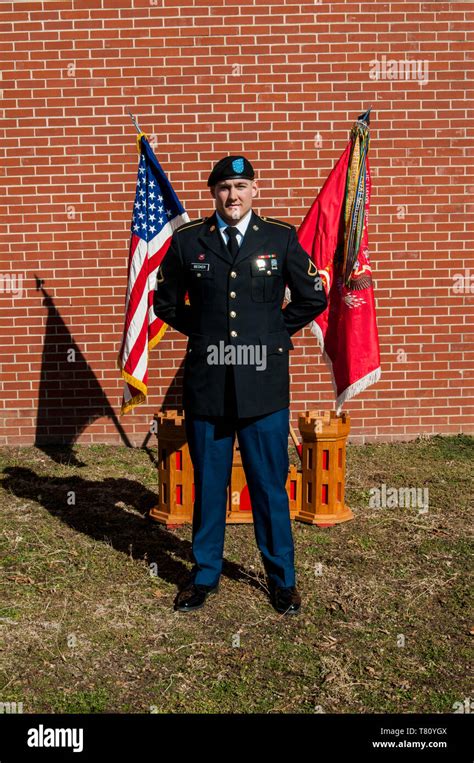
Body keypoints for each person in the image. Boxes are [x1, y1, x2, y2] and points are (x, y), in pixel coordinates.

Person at [153, 155, 327, 615]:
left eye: (241, 185)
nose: (233, 195)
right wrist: (206, 332)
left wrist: (272, 333)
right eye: (225, 187)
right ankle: (204, 574)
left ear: (255, 190)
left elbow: (313, 296)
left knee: (268, 483)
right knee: (208, 482)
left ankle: (282, 579)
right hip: (209, 383)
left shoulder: (280, 237)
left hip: (263, 386)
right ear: (213, 194)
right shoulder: (189, 242)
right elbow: (164, 303)